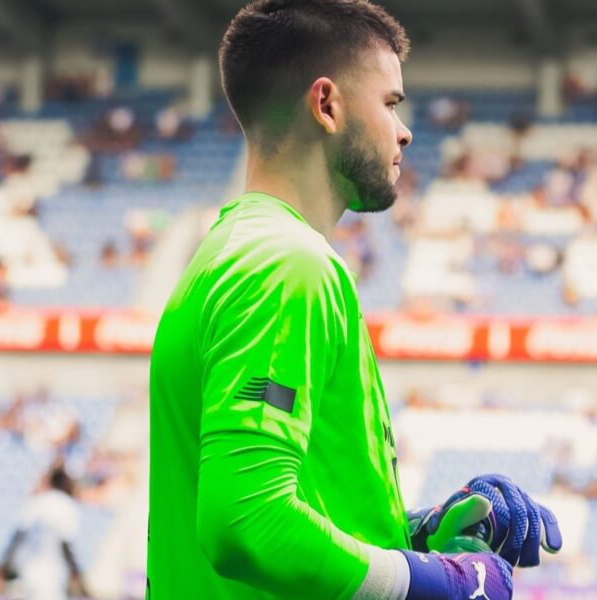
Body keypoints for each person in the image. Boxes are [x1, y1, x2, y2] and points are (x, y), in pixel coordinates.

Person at [147, 2, 561, 599]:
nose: (404, 130)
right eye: (390, 103)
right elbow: (246, 523)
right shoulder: (287, 264)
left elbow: (290, 514)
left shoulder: (228, 253)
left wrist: (423, 535)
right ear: (326, 104)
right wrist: (433, 586)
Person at [0, 467, 89, 600]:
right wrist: (76, 573)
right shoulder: (67, 506)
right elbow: (66, 545)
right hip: (53, 571)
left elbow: (18, 537)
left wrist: (1, 569)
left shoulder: (36, 502)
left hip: (28, 567)